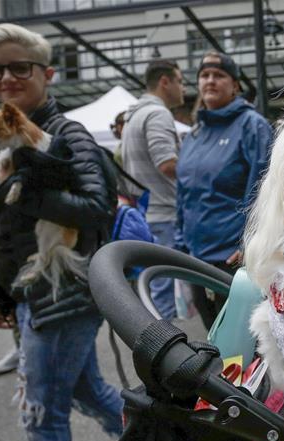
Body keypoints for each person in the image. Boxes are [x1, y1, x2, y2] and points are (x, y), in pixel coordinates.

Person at [0, 23, 124, 441]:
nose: (7, 78)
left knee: (41, 413)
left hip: (65, 291)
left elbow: (95, 208)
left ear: (45, 74)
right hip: (26, 290)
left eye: (20, 68)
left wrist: (32, 183)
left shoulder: (68, 134)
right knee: (88, 391)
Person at [174, 51, 273, 330]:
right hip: (195, 259)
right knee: (214, 344)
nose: (210, 81)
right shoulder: (194, 134)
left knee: (239, 347)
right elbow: (183, 194)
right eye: (204, 76)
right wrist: (181, 245)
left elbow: (265, 188)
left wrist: (248, 242)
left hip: (234, 261)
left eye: (219, 75)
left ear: (235, 85)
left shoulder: (253, 126)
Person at [121, 59, 184, 320]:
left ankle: (152, 345)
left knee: (151, 287)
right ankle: (162, 353)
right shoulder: (157, 114)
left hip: (144, 213)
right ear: (164, 82)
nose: (184, 88)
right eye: (180, 81)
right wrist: (200, 171)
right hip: (162, 213)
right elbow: (167, 163)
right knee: (163, 291)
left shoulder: (133, 115)